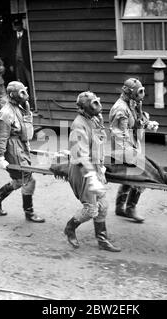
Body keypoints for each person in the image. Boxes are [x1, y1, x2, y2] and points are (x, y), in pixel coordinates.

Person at [64, 91, 121, 252]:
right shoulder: (78, 125)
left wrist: (100, 167)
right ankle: (70, 228)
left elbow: (98, 144)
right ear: (84, 108)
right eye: (94, 103)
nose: (99, 106)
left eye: (98, 102)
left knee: (103, 206)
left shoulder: (94, 120)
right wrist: (92, 177)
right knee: (90, 209)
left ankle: (102, 240)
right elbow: (80, 155)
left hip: (95, 169)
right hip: (83, 172)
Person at [0, 81, 45, 223]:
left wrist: (27, 114)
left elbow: (27, 133)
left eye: (25, 91)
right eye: (21, 93)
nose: (25, 95)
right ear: (13, 95)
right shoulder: (6, 113)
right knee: (28, 180)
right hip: (13, 149)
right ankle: (29, 213)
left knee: (19, 180)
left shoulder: (18, 108)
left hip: (20, 146)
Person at [109, 78, 159, 223]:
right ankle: (130, 209)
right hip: (123, 149)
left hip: (133, 145)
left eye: (142, 90)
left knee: (129, 177)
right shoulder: (120, 108)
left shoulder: (133, 104)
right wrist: (132, 155)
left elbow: (137, 121)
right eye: (139, 91)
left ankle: (120, 208)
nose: (141, 94)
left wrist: (148, 124)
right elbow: (119, 135)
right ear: (129, 92)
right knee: (140, 174)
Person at [9, 17, 34, 110]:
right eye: (14, 25)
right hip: (17, 64)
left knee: (30, 84)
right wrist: (11, 64)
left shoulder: (27, 34)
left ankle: (32, 104)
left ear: (21, 25)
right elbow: (11, 51)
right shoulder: (12, 36)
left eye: (17, 25)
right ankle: (23, 105)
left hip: (26, 63)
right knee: (20, 85)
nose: (15, 27)